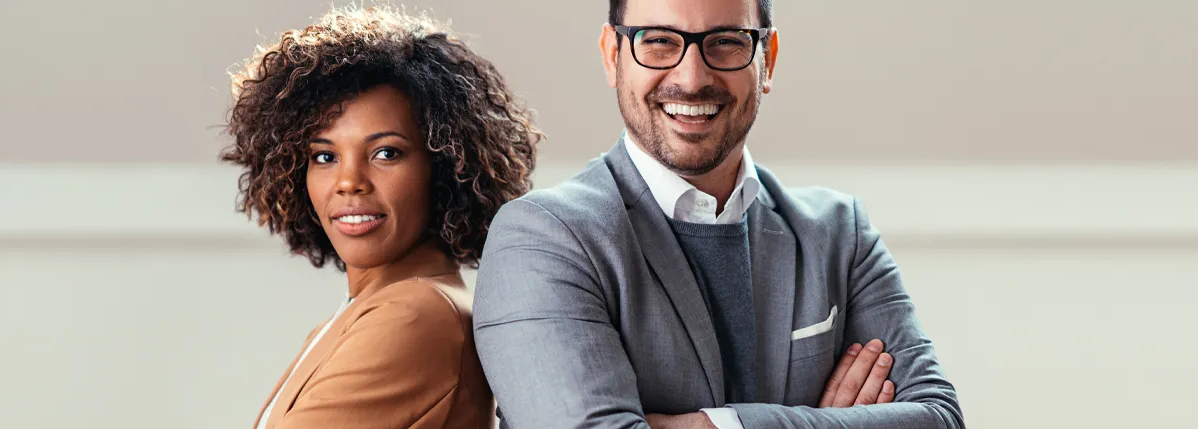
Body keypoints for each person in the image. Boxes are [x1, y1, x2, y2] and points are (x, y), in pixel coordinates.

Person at [471, 0, 964, 428]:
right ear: (612, 55)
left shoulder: (840, 233)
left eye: (726, 42)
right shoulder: (541, 239)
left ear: (767, 59)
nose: (692, 78)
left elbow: (940, 417)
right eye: (659, 41)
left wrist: (719, 425)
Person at [221, 5, 540, 429]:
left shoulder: (413, 315)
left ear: (444, 166)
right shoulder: (367, 312)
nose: (349, 182)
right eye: (325, 156)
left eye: (386, 153)